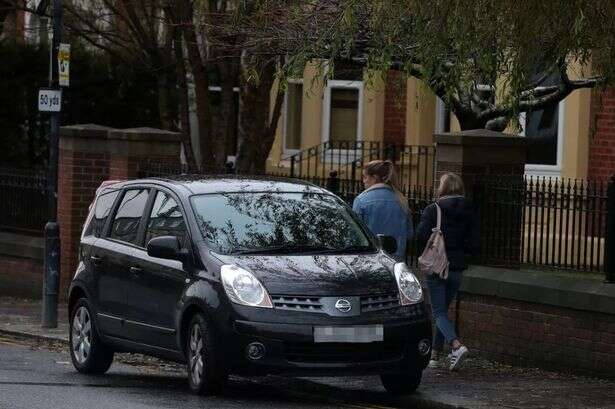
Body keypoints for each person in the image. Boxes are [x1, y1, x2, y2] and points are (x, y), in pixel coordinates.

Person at [417, 172, 479, 371]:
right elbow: (475, 240)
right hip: (457, 268)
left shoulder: (433, 209)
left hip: (437, 267)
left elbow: (420, 235)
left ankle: (456, 346)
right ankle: (434, 355)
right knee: (443, 310)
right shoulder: (470, 209)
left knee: (438, 312)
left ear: (442, 188)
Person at [352, 160, 413, 262]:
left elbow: (354, 235)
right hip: (396, 260)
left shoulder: (361, 200)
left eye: (365, 177)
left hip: (369, 258)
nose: (363, 181)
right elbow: (409, 234)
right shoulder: (401, 200)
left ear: (374, 178)